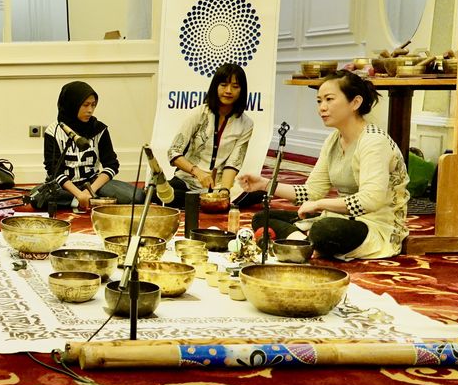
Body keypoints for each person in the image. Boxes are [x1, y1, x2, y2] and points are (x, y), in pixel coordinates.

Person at [238, 71, 409, 260]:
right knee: (262, 217)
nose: (322, 108)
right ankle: (305, 244)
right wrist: (264, 184)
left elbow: (371, 200)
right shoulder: (333, 140)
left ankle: (303, 242)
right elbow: (311, 192)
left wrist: (319, 205)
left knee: (324, 230)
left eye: (329, 99)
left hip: (375, 226)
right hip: (340, 218)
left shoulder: (374, 141)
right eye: (319, 101)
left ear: (355, 103)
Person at [39, 81, 140, 210]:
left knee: (137, 197)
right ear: (72, 105)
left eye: (93, 105)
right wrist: (78, 194)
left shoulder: (99, 129)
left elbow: (112, 165)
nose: (90, 110)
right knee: (38, 199)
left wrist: (89, 191)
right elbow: (53, 170)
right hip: (65, 187)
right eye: (85, 105)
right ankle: (89, 201)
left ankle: (85, 200)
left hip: (93, 184)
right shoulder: (53, 131)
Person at [166, 62, 254, 204]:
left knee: (258, 193)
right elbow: (173, 152)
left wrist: (224, 191)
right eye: (223, 85)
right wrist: (197, 172)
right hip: (187, 182)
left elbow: (233, 163)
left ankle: (204, 202)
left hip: (219, 186)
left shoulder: (246, 123)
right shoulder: (199, 113)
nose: (229, 91)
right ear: (215, 87)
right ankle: (201, 202)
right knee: (164, 193)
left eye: (235, 86)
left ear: (242, 91)